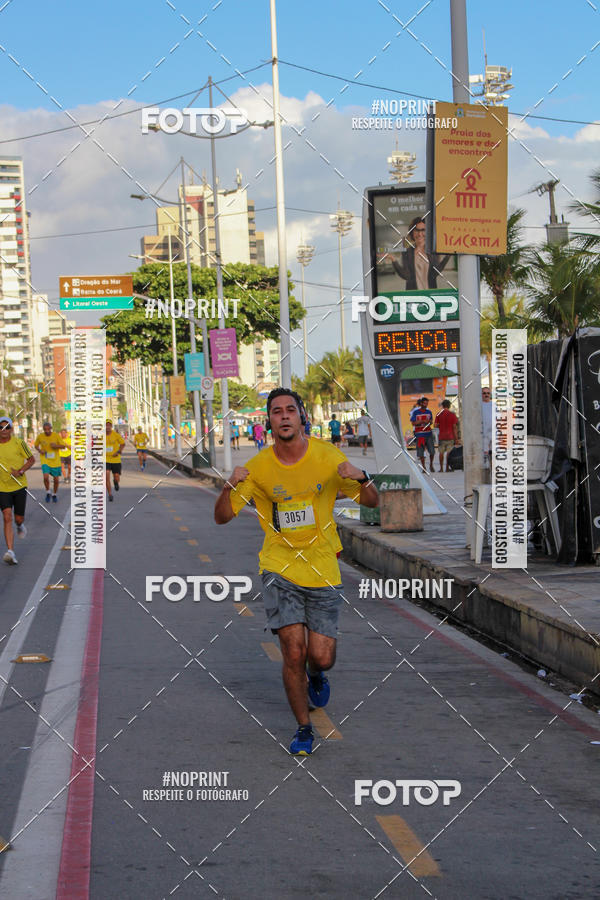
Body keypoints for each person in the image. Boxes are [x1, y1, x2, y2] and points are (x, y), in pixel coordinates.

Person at [214, 388, 378, 755]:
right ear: (269, 421)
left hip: (321, 567)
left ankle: (316, 674)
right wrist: (230, 484)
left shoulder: (327, 457)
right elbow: (222, 517)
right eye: (276, 412)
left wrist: (362, 475)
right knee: (293, 651)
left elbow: (371, 502)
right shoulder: (256, 468)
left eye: (291, 410)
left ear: (302, 417)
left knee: (321, 656)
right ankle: (304, 728)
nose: (284, 416)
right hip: (278, 567)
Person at [0, 416, 35, 565]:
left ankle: (20, 525)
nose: (4, 430)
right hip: (2, 488)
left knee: (18, 518)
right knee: (7, 517)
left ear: (11, 429)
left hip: (19, 486)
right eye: (1, 427)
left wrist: (20, 471)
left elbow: (31, 459)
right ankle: (10, 551)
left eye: (7, 427)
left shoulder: (19, 443)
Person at [387, 217, 450, 290]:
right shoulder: (407, 252)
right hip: (413, 294)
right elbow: (406, 276)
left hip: (430, 294)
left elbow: (434, 274)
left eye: (423, 230)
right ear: (412, 232)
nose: (420, 234)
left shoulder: (432, 251)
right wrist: (393, 260)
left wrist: (447, 257)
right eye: (416, 230)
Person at [34, 421, 65, 503]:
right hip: (45, 459)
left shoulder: (56, 436)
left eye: (48, 429)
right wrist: (40, 450)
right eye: (45, 429)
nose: (47, 431)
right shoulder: (40, 436)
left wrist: (56, 446)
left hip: (55, 461)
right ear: (43, 429)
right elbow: (36, 445)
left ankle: (54, 494)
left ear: (51, 429)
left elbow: (63, 446)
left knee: (56, 480)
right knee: (45, 477)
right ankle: (48, 492)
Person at [410, 397, 435, 473]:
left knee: (432, 451)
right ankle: (423, 467)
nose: (426, 405)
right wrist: (422, 421)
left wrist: (429, 422)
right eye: (424, 403)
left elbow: (431, 421)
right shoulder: (416, 412)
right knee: (421, 452)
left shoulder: (429, 412)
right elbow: (413, 423)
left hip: (428, 434)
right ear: (421, 403)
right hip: (419, 435)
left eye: (427, 403)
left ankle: (431, 464)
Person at [434, 400, 460, 473]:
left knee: (441, 452)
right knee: (449, 453)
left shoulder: (439, 414)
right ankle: (447, 468)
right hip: (450, 436)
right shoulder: (452, 415)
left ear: (442, 405)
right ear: (449, 405)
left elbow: (435, 425)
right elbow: (454, 427)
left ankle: (441, 468)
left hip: (441, 436)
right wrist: (456, 439)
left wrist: (441, 425)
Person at [105, 420, 126, 501]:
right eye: (106, 425)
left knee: (116, 476)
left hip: (115, 459)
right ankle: (110, 494)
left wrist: (119, 451)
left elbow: (123, 444)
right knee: (106, 476)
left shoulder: (116, 435)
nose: (107, 427)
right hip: (106, 459)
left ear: (111, 426)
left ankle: (116, 482)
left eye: (109, 425)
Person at [481, 386, 493, 469]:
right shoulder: (478, 405)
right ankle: (486, 467)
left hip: (493, 432)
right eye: (484, 393)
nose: (486, 395)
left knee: (493, 453)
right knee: (485, 453)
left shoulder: (494, 405)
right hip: (483, 433)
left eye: (488, 393)